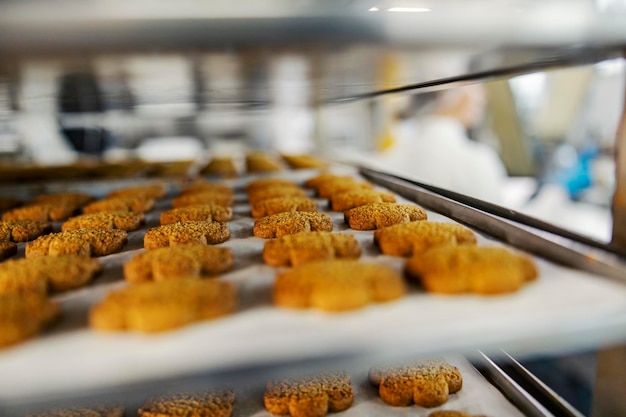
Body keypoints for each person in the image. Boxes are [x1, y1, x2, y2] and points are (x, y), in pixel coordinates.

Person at [374, 84, 508, 203]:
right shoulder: (478, 160)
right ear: (443, 92)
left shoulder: (389, 155)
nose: (484, 94)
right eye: (473, 84)